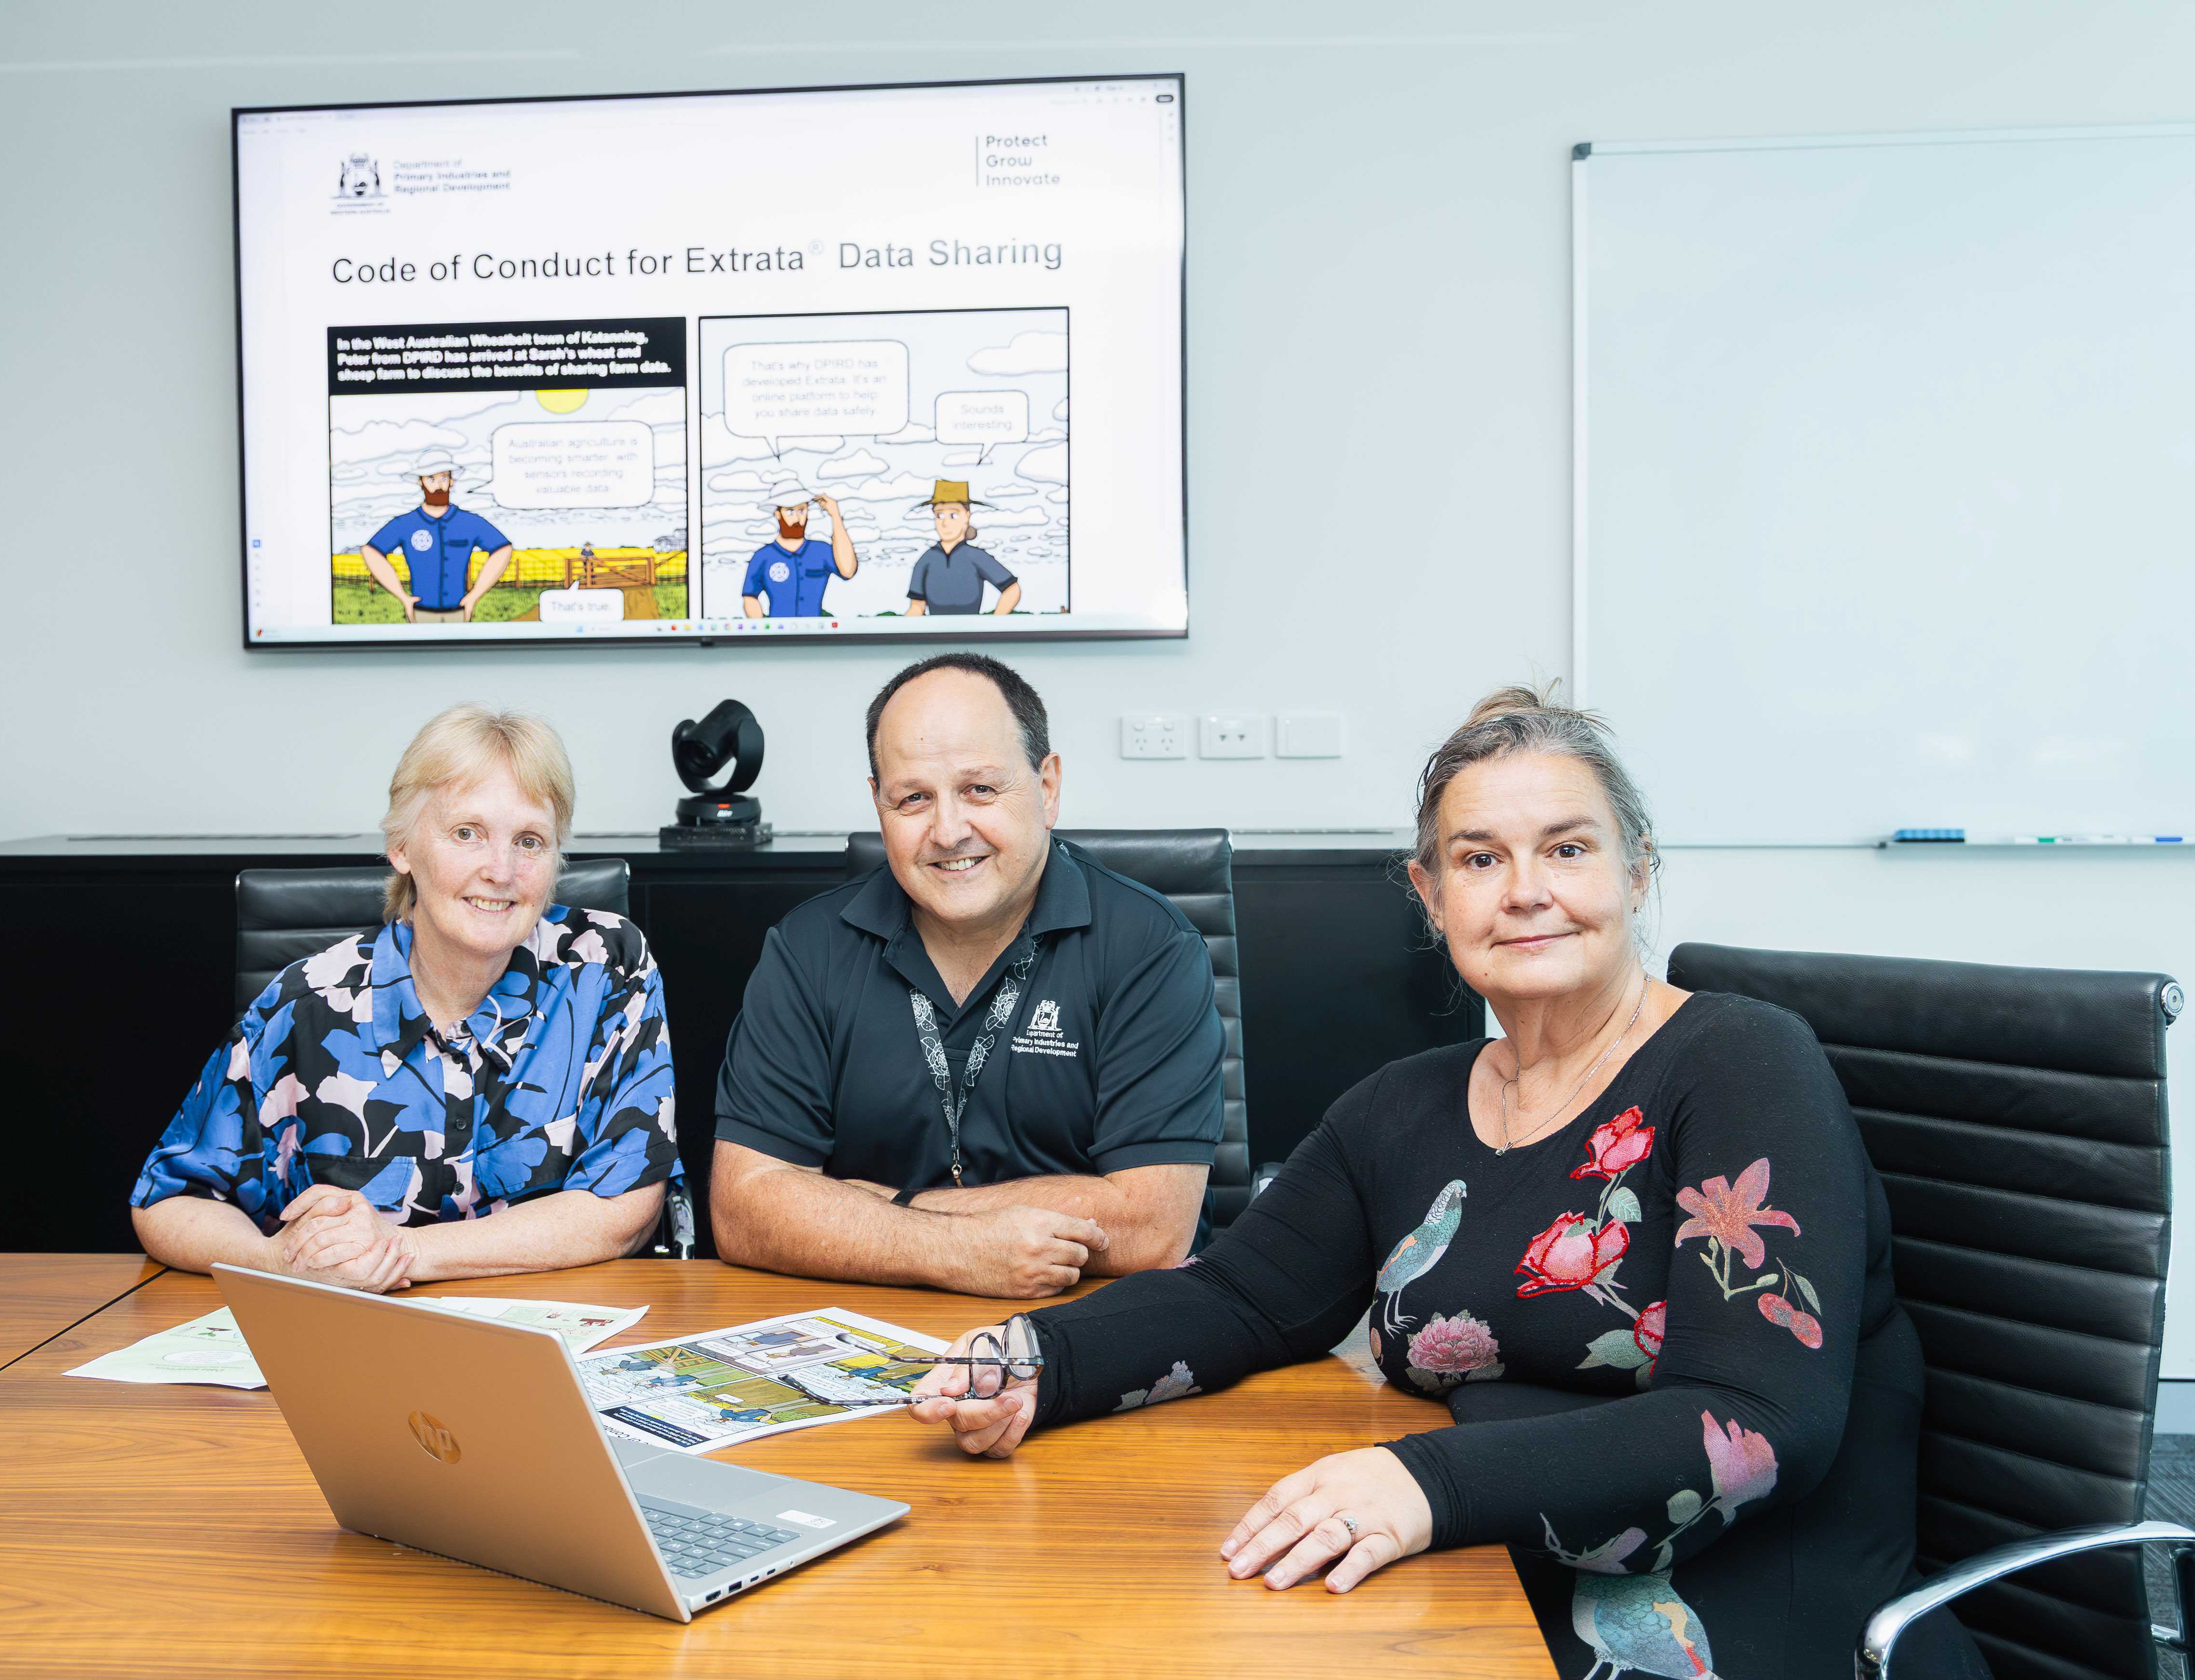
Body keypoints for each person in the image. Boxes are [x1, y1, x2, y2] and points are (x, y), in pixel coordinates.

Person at [908, 687, 1989, 1680]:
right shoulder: (1405, 1103)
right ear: (1430, 895)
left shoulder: (1743, 1060)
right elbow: (1241, 1296)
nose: (1525, 892)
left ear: (1637, 870)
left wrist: (1426, 1480)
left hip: (1749, 1594)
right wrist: (1039, 1358)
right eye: (1479, 859)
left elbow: (1758, 1419)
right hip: (1496, 1562)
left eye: (1567, 848)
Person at [709, 652, 1224, 1298]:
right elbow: (744, 1208)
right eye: (913, 798)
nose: (948, 831)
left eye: (980, 789)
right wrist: (956, 1249)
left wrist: (886, 1207)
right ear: (878, 804)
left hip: (1089, 1324)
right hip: (868, 1324)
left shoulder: (1150, 946)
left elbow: (1151, 1225)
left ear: (1047, 787)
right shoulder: (808, 948)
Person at [129, 705, 678, 1289]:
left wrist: (398, 1252)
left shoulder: (605, 968)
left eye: (529, 841)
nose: (501, 870)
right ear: (402, 847)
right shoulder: (306, 1001)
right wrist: (277, 1261)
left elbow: (625, 1205)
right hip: (351, 1330)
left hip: (556, 1325)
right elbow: (169, 1201)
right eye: (466, 833)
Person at [359, 449, 517, 624]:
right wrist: (403, 597)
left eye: (444, 478)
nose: (439, 485)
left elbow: (503, 549)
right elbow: (370, 551)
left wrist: (475, 596)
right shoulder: (405, 523)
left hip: (460, 613)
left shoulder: (469, 522)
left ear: (452, 482)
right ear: (421, 482)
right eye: (431, 479)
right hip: (420, 613)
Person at [903, 480, 1019, 616]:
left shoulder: (976, 556)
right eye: (939, 516)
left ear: (967, 517)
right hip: (936, 628)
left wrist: (995, 622)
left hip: (971, 628)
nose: (945, 523)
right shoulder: (927, 559)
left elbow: (1012, 589)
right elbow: (917, 606)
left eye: (954, 515)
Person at [740, 484, 857, 617]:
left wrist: (835, 515)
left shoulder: (820, 551)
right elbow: (750, 597)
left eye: (802, 511)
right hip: (780, 629)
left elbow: (848, 571)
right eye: (790, 512)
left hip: (816, 629)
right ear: (778, 514)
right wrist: (762, 627)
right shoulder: (763, 557)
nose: (797, 519)